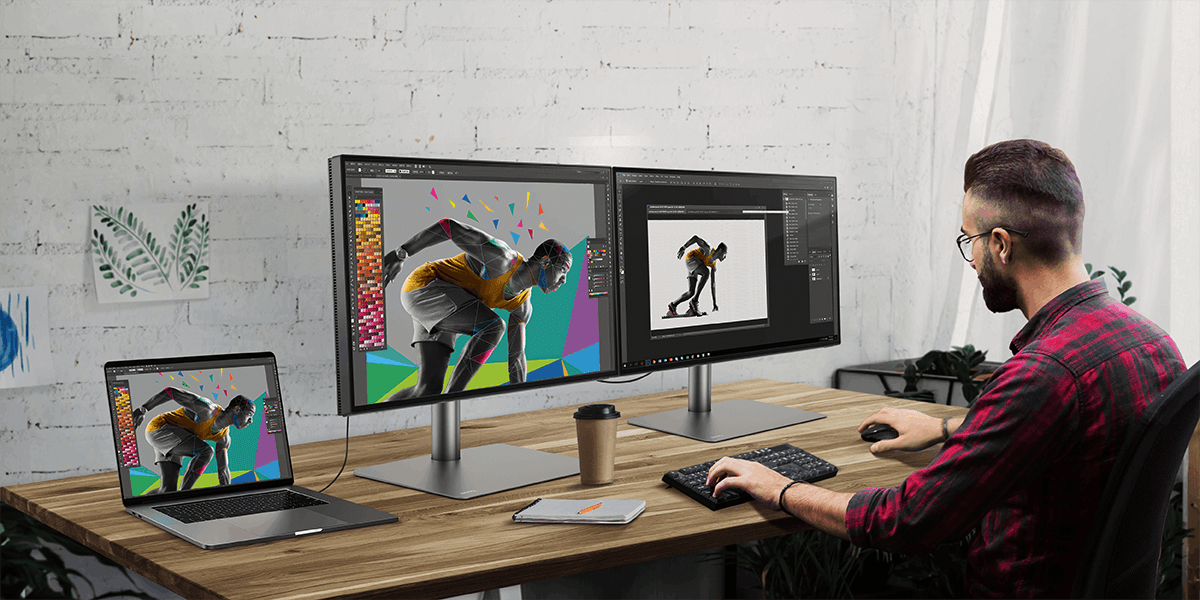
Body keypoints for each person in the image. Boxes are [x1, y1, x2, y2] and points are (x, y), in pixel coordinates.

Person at [706, 139, 1186, 598]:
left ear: (1000, 244)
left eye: (969, 240)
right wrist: (946, 425)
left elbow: (909, 520)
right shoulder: (1151, 341)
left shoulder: (1044, 373)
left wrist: (780, 488)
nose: (971, 259)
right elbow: (1077, 432)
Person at [382, 217, 572, 400]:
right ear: (545, 262)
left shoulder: (522, 306)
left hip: (447, 307)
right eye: (563, 270)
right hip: (425, 286)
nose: (564, 280)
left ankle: (380, 416)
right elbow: (448, 226)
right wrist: (402, 253)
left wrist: (520, 399)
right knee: (494, 326)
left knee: (427, 390)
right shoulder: (502, 259)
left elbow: (516, 358)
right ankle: (452, 400)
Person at [131, 387, 255, 493]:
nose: (251, 421)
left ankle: (143, 504)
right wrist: (143, 409)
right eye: (250, 414)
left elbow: (223, 471)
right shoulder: (207, 409)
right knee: (206, 451)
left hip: (178, 440)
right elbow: (171, 391)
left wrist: (229, 496)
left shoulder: (224, 438)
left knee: (167, 490)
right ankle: (183, 497)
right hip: (160, 429)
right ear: (237, 409)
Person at [666, 236, 727, 317]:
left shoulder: (713, 265)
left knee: (690, 292)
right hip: (691, 259)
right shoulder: (708, 249)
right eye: (725, 255)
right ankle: (694, 301)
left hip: (696, 265)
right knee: (706, 272)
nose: (725, 257)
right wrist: (684, 247)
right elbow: (696, 238)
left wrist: (714, 303)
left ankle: (673, 305)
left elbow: (713, 284)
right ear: (720, 251)